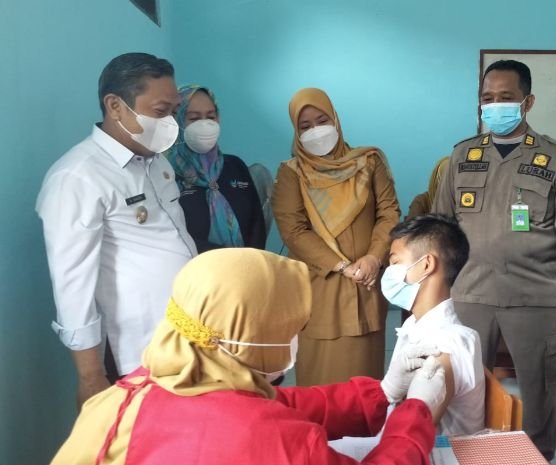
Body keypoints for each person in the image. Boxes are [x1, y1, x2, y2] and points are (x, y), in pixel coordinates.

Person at [50, 248, 447, 465]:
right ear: (246, 336)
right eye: (287, 328)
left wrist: (381, 393)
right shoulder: (273, 442)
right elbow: (261, 423)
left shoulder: (129, 394)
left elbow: (275, 403)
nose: (295, 338)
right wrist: (416, 413)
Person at [432, 59, 556, 459]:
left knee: (538, 392)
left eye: (505, 97)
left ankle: (537, 457)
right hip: (469, 293)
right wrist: (435, 292)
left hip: (534, 296)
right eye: (487, 98)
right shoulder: (462, 156)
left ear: (528, 102)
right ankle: (469, 457)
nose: (495, 106)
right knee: (464, 389)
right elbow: (440, 227)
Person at [36, 53, 197, 406]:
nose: (170, 123)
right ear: (115, 106)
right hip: (136, 351)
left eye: (174, 111)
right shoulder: (78, 176)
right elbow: (72, 284)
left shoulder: (156, 161)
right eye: (160, 111)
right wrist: (90, 375)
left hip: (182, 335)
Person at [272, 88, 401, 386]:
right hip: (321, 287)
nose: (316, 131)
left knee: (364, 384)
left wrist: (374, 258)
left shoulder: (368, 162)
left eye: (322, 121)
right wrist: (341, 266)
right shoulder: (292, 173)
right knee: (322, 385)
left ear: (336, 120)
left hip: (367, 284)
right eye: (305, 126)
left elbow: (389, 213)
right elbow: (294, 230)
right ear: (296, 132)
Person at [381, 214, 485, 435]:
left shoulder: (444, 344)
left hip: (433, 450)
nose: (388, 272)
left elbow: (409, 434)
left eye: (395, 263)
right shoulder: (415, 323)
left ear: (426, 264)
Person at [167, 84, 267, 252]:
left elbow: (257, 224)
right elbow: (172, 236)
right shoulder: (167, 174)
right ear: (177, 121)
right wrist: (223, 260)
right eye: (194, 118)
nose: (205, 124)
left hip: (247, 264)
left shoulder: (235, 166)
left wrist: (251, 261)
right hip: (193, 266)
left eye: (211, 117)